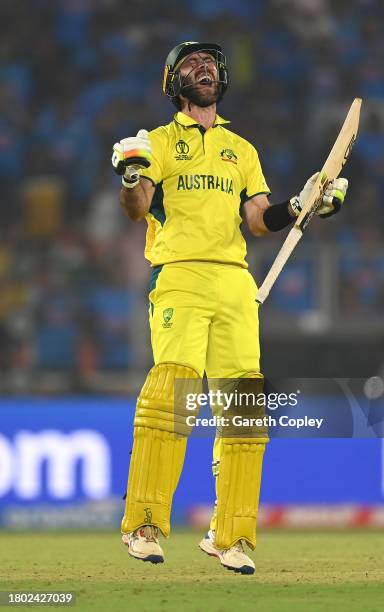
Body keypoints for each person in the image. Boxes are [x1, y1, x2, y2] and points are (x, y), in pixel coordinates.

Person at [112, 41, 348, 575]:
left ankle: (231, 536)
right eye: (193, 66)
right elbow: (137, 209)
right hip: (180, 275)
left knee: (245, 408)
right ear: (173, 81)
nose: (206, 72)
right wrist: (130, 177)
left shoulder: (241, 149)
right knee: (172, 391)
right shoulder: (158, 142)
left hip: (235, 284)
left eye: (212, 66)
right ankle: (144, 525)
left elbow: (261, 219)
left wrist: (306, 204)